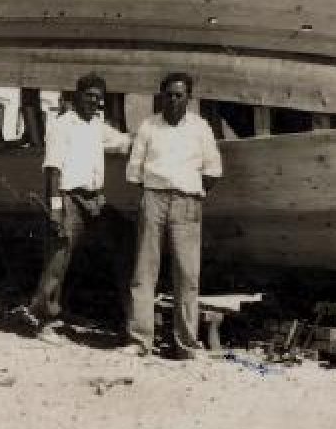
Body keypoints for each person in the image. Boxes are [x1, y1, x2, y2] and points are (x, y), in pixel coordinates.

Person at [122, 72, 222, 358]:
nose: (174, 100)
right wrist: (157, 191)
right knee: (144, 272)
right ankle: (140, 341)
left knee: (187, 275)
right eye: (169, 95)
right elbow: (135, 171)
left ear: (188, 98)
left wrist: (190, 191)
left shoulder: (201, 128)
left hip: (187, 202)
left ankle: (186, 345)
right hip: (153, 199)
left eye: (180, 95)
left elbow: (213, 171)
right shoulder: (148, 126)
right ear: (161, 96)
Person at [28, 73, 132, 344]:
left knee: (125, 240)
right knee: (58, 256)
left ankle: (131, 320)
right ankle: (43, 320)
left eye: (99, 98)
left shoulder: (98, 126)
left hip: (95, 199)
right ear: (76, 96)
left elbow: (124, 141)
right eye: (89, 96)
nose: (94, 102)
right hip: (68, 197)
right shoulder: (62, 125)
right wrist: (55, 209)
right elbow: (52, 170)